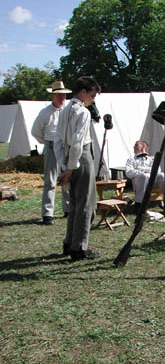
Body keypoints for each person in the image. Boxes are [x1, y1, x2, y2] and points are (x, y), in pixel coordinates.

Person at [54, 76, 101, 261]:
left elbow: (58, 141)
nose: (93, 99)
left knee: (74, 204)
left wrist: (64, 165)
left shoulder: (65, 110)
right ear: (82, 92)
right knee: (86, 205)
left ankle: (69, 243)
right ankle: (79, 248)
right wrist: (71, 168)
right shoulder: (83, 112)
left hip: (69, 159)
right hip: (80, 158)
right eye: (92, 95)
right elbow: (77, 143)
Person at [31, 80, 71, 225]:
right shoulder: (45, 113)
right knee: (50, 180)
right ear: (53, 96)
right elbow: (35, 131)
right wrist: (47, 142)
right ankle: (48, 213)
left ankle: (68, 208)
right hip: (51, 146)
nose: (62, 98)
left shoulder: (67, 110)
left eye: (64, 96)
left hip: (65, 147)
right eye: (59, 96)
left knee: (67, 177)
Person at [125, 140, 165, 214]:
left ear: (143, 147)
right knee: (143, 176)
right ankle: (139, 205)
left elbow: (157, 170)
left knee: (162, 175)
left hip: (152, 182)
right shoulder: (131, 160)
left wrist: (141, 169)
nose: (134, 147)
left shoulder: (150, 159)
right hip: (139, 182)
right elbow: (129, 173)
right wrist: (143, 172)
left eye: (136, 145)